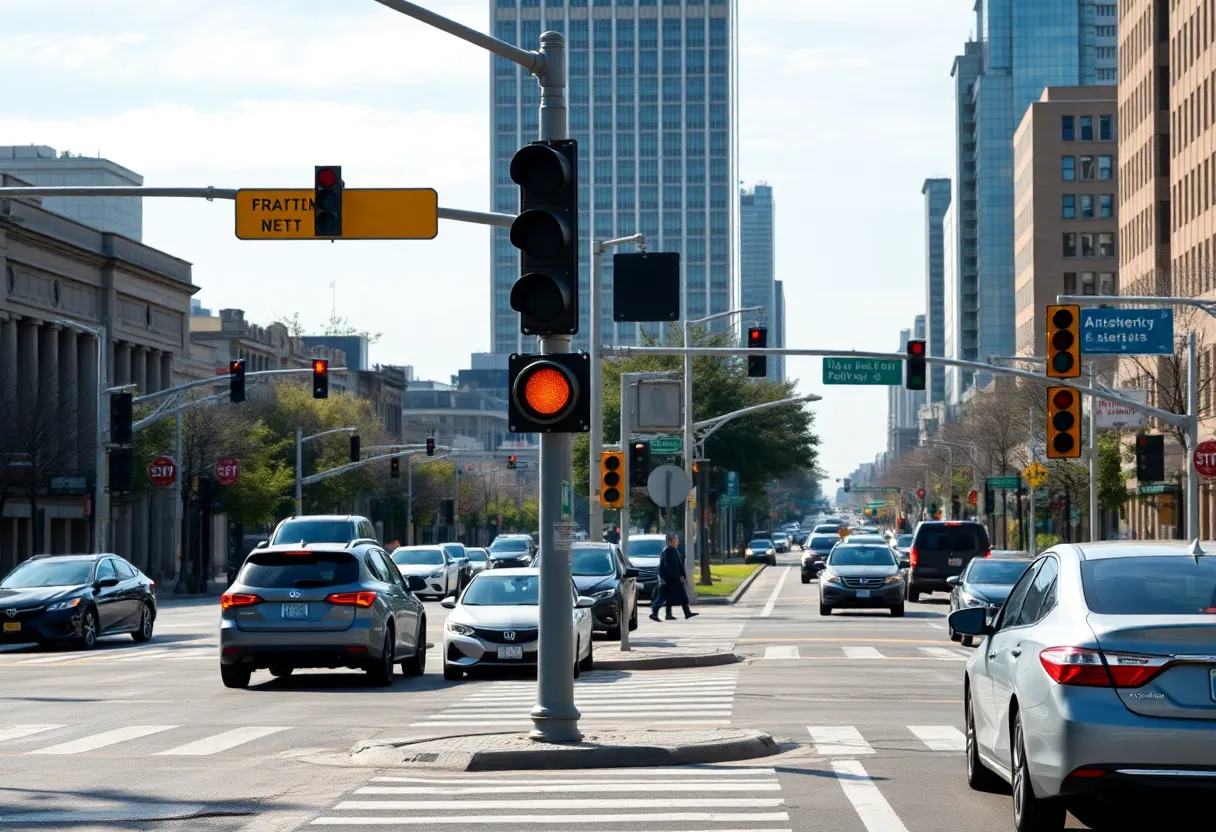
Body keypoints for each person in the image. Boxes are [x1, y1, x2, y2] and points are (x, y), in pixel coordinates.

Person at [649, 533, 698, 621]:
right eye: (676, 539)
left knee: (675, 596)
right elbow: (670, 567)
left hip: (672, 579)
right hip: (669, 579)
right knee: (664, 598)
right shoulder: (668, 551)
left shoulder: (672, 550)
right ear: (670, 541)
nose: (677, 541)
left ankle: (676, 613)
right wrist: (679, 576)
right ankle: (654, 612)